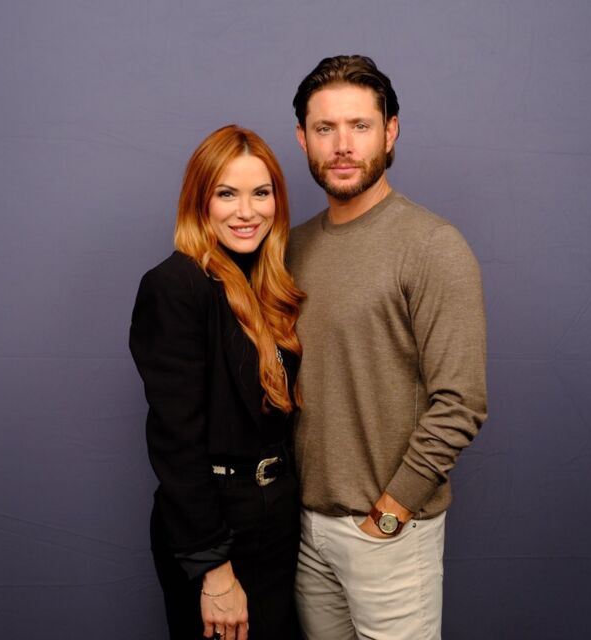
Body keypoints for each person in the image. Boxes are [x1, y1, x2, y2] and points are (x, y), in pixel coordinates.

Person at [288, 55, 488, 639]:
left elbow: (461, 401)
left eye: (360, 125)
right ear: (303, 138)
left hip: (389, 533)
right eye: (325, 128)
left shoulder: (432, 246)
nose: (342, 145)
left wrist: (392, 512)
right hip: (307, 531)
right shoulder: (291, 248)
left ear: (390, 130)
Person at [129, 125, 305, 640]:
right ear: (199, 201)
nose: (246, 212)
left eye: (261, 193)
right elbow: (176, 442)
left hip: (278, 517)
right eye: (227, 194)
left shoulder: (270, 281)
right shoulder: (175, 285)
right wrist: (214, 569)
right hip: (215, 525)